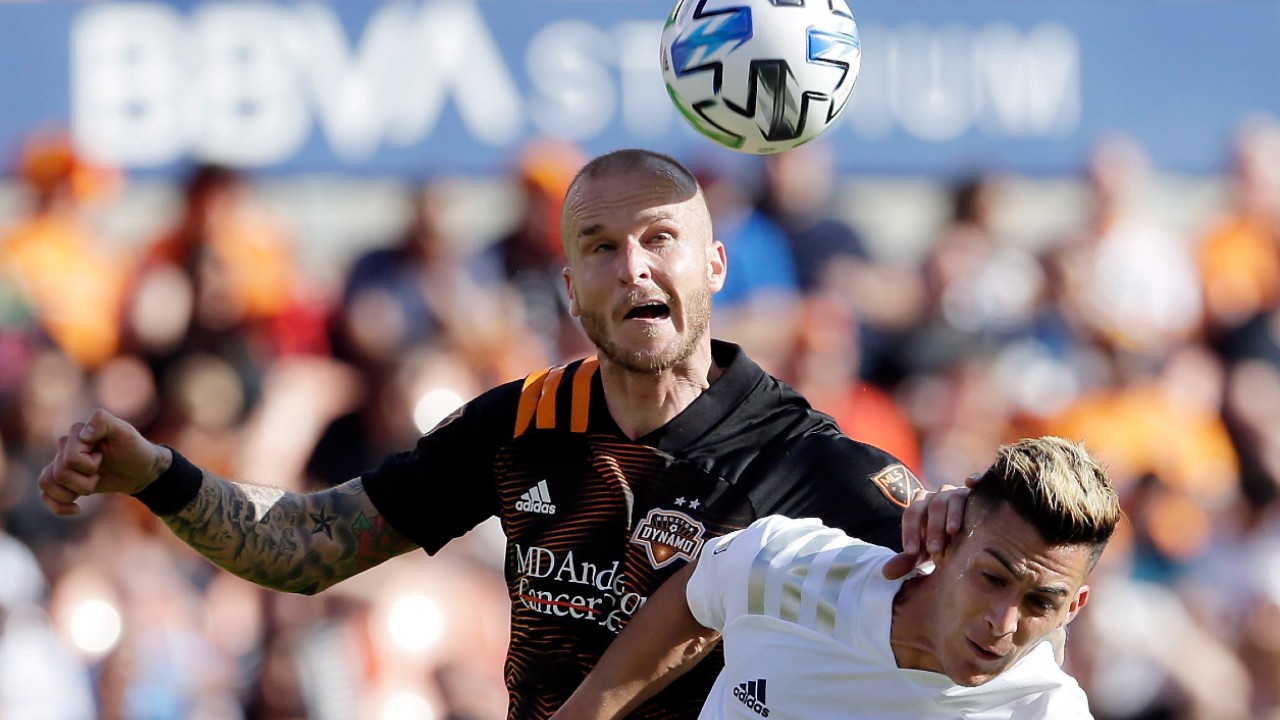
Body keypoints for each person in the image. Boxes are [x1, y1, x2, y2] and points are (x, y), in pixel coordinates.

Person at [39, 149, 963, 719]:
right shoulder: (521, 422)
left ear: (714, 265)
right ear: (570, 289)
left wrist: (961, 521)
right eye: (599, 246)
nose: (632, 265)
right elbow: (304, 545)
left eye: (659, 238)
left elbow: (972, 605)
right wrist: (156, 473)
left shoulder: (805, 457)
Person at [553, 435, 1121, 720]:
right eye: (992, 578)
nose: (1004, 623)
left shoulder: (1047, 711)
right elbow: (697, 595)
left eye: (1041, 602)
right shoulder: (784, 566)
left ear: (1075, 606)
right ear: (947, 542)